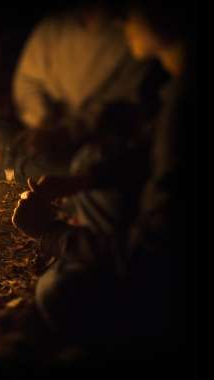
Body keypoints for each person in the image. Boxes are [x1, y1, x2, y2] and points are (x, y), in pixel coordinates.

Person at [11, 0, 193, 363]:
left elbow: (150, 257)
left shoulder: (183, 110)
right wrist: (81, 181)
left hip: (173, 289)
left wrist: (52, 234)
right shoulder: (177, 90)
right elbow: (147, 156)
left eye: (130, 8)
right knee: (89, 162)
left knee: (55, 291)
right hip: (128, 206)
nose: (122, 18)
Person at [10, 1, 158, 183]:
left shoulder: (131, 38)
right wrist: (42, 120)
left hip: (91, 145)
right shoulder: (54, 26)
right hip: (43, 134)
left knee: (40, 170)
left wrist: (67, 131)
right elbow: (27, 81)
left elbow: (118, 105)